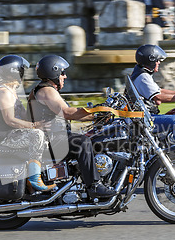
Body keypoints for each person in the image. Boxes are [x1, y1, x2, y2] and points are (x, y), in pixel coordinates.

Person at [27, 55, 116, 198]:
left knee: (92, 138)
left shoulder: (43, 90)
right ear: (54, 72)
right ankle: (93, 186)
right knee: (82, 143)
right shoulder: (46, 91)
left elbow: (72, 115)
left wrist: (97, 116)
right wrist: (96, 114)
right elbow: (67, 113)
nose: (65, 76)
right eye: (62, 73)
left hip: (51, 138)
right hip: (49, 141)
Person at [0, 55, 55, 192]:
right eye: (22, 70)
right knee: (37, 135)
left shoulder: (12, 91)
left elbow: (24, 116)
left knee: (47, 137)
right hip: (4, 137)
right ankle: (34, 179)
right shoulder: (3, 92)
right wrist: (35, 125)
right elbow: (10, 120)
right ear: (16, 71)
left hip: (13, 134)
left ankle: (43, 175)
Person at [130, 44, 175, 151]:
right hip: (144, 120)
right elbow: (158, 98)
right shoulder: (143, 77)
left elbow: (160, 91)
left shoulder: (142, 73)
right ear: (150, 60)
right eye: (157, 60)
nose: (159, 62)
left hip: (143, 118)